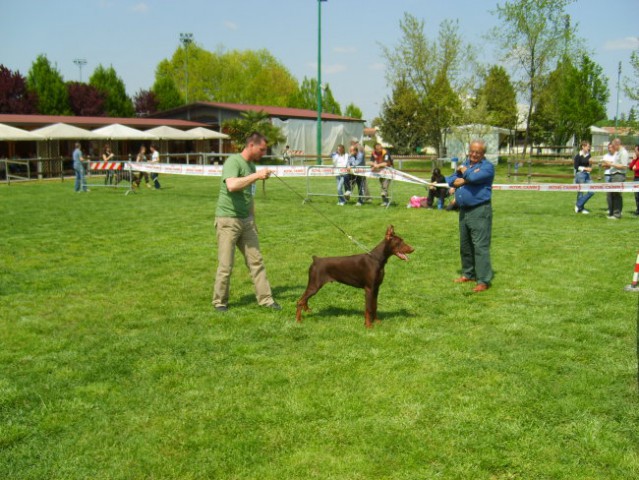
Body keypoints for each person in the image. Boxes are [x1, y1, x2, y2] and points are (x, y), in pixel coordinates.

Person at [212, 132, 281, 312]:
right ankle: (220, 302)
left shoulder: (251, 165)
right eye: (262, 149)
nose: (263, 153)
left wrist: (253, 220)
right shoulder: (233, 162)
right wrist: (256, 176)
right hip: (228, 220)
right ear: (251, 145)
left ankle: (266, 299)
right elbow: (232, 185)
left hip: (246, 221)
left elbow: (249, 197)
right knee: (226, 265)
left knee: (256, 261)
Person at [446, 139, 495, 292]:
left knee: (480, 246)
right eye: (472, 151)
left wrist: (463, 175)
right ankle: (468, 274)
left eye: (477, 152)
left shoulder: (487, 167)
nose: (474, 154)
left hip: (479, 211)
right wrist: (461, 177)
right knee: (465, 245)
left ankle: (483, 280)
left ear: (483, 154)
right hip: (464, 211)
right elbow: (450, 180)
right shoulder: (466, 164)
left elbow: (473, 178)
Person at [603, 138, 628, 219]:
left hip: (619, 175)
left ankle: (617, 214)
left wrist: (611, 164)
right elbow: (616, 163)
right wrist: (609, 165)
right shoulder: (618, 153)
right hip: (613, 175)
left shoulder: (623, 153)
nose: (613, 147)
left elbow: (624, 166)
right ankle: (612, 213)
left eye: (613, 146)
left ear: (617, 144)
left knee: (617, 195)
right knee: (610, 195)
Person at [573, 140, 594, 214]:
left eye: (589, 147)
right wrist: (585, 168)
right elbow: (576, 166)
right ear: (583, 146)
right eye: (588, 146)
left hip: (587, 175)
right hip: (580, 174)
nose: (589, 148)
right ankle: (580, 209)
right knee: (580, 192)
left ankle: (578, 205)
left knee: (592, 191)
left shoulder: (589, 155)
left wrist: (591, 165)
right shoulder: (578, 155)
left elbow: (590, 165)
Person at [369, 142, 393, 206]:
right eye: (378, 149)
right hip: (380, 170)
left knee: (385, 186)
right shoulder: (373, 153)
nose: (380, 149)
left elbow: (385, 163)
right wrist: (374, 165)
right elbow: (370, 162)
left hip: (388, 170)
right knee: (382, 184)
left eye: (381, 148)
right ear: (375, 149)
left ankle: (384, 194)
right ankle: (385, 201)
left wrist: (377, 166)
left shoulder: (386, 152)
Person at [630, 144, 639, 216]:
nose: (634, 152)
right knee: (637, 195)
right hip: (636, 178)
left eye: (635, 151)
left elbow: (636, 168)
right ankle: (638, 210)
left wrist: (635, 167)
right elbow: (630, 167)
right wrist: (633, 160)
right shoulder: (636, 159)